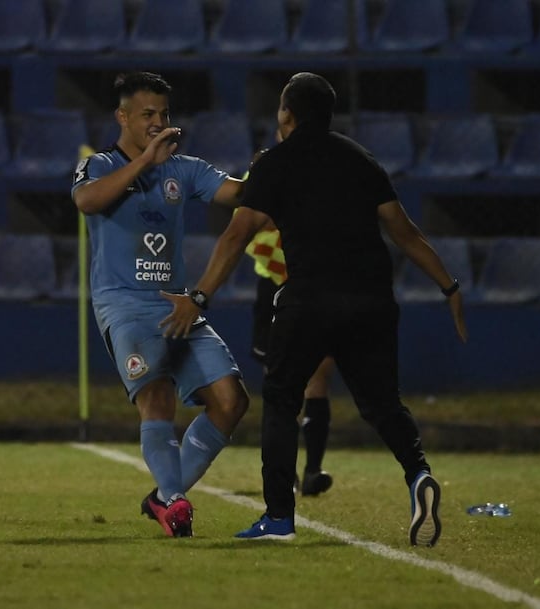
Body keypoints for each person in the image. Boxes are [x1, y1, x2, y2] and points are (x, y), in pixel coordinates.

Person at [160, 72, 468, 547]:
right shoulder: (360, 159)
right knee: (383, 403)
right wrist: (449, 287)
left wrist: (199, 297)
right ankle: (418, 474)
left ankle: (279, 516)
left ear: (287, 114)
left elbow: (236, 236)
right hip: (372, 299)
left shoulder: (275, 164)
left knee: (282, 397)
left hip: (311, 299)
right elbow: (404, 233)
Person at [71, 71, 249, 538]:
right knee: (158, 395)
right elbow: (87, 202)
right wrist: (145, 162)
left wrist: (274, 167)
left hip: (176, 303)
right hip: (123, 303)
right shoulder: (101, 165)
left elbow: (235, 191)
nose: (157, 122)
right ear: (122, 116)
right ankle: (175, 504)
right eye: (147, 114)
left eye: (164, 114)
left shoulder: (184, 169)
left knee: (231, 400)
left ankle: (164, 496)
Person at [245, 215, 334, 497]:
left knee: (318, 376)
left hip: (316, 283)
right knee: (278, 381)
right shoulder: (260, 175)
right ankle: (284, 473)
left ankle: (312, 471)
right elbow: (248, 222)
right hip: (276, 285)